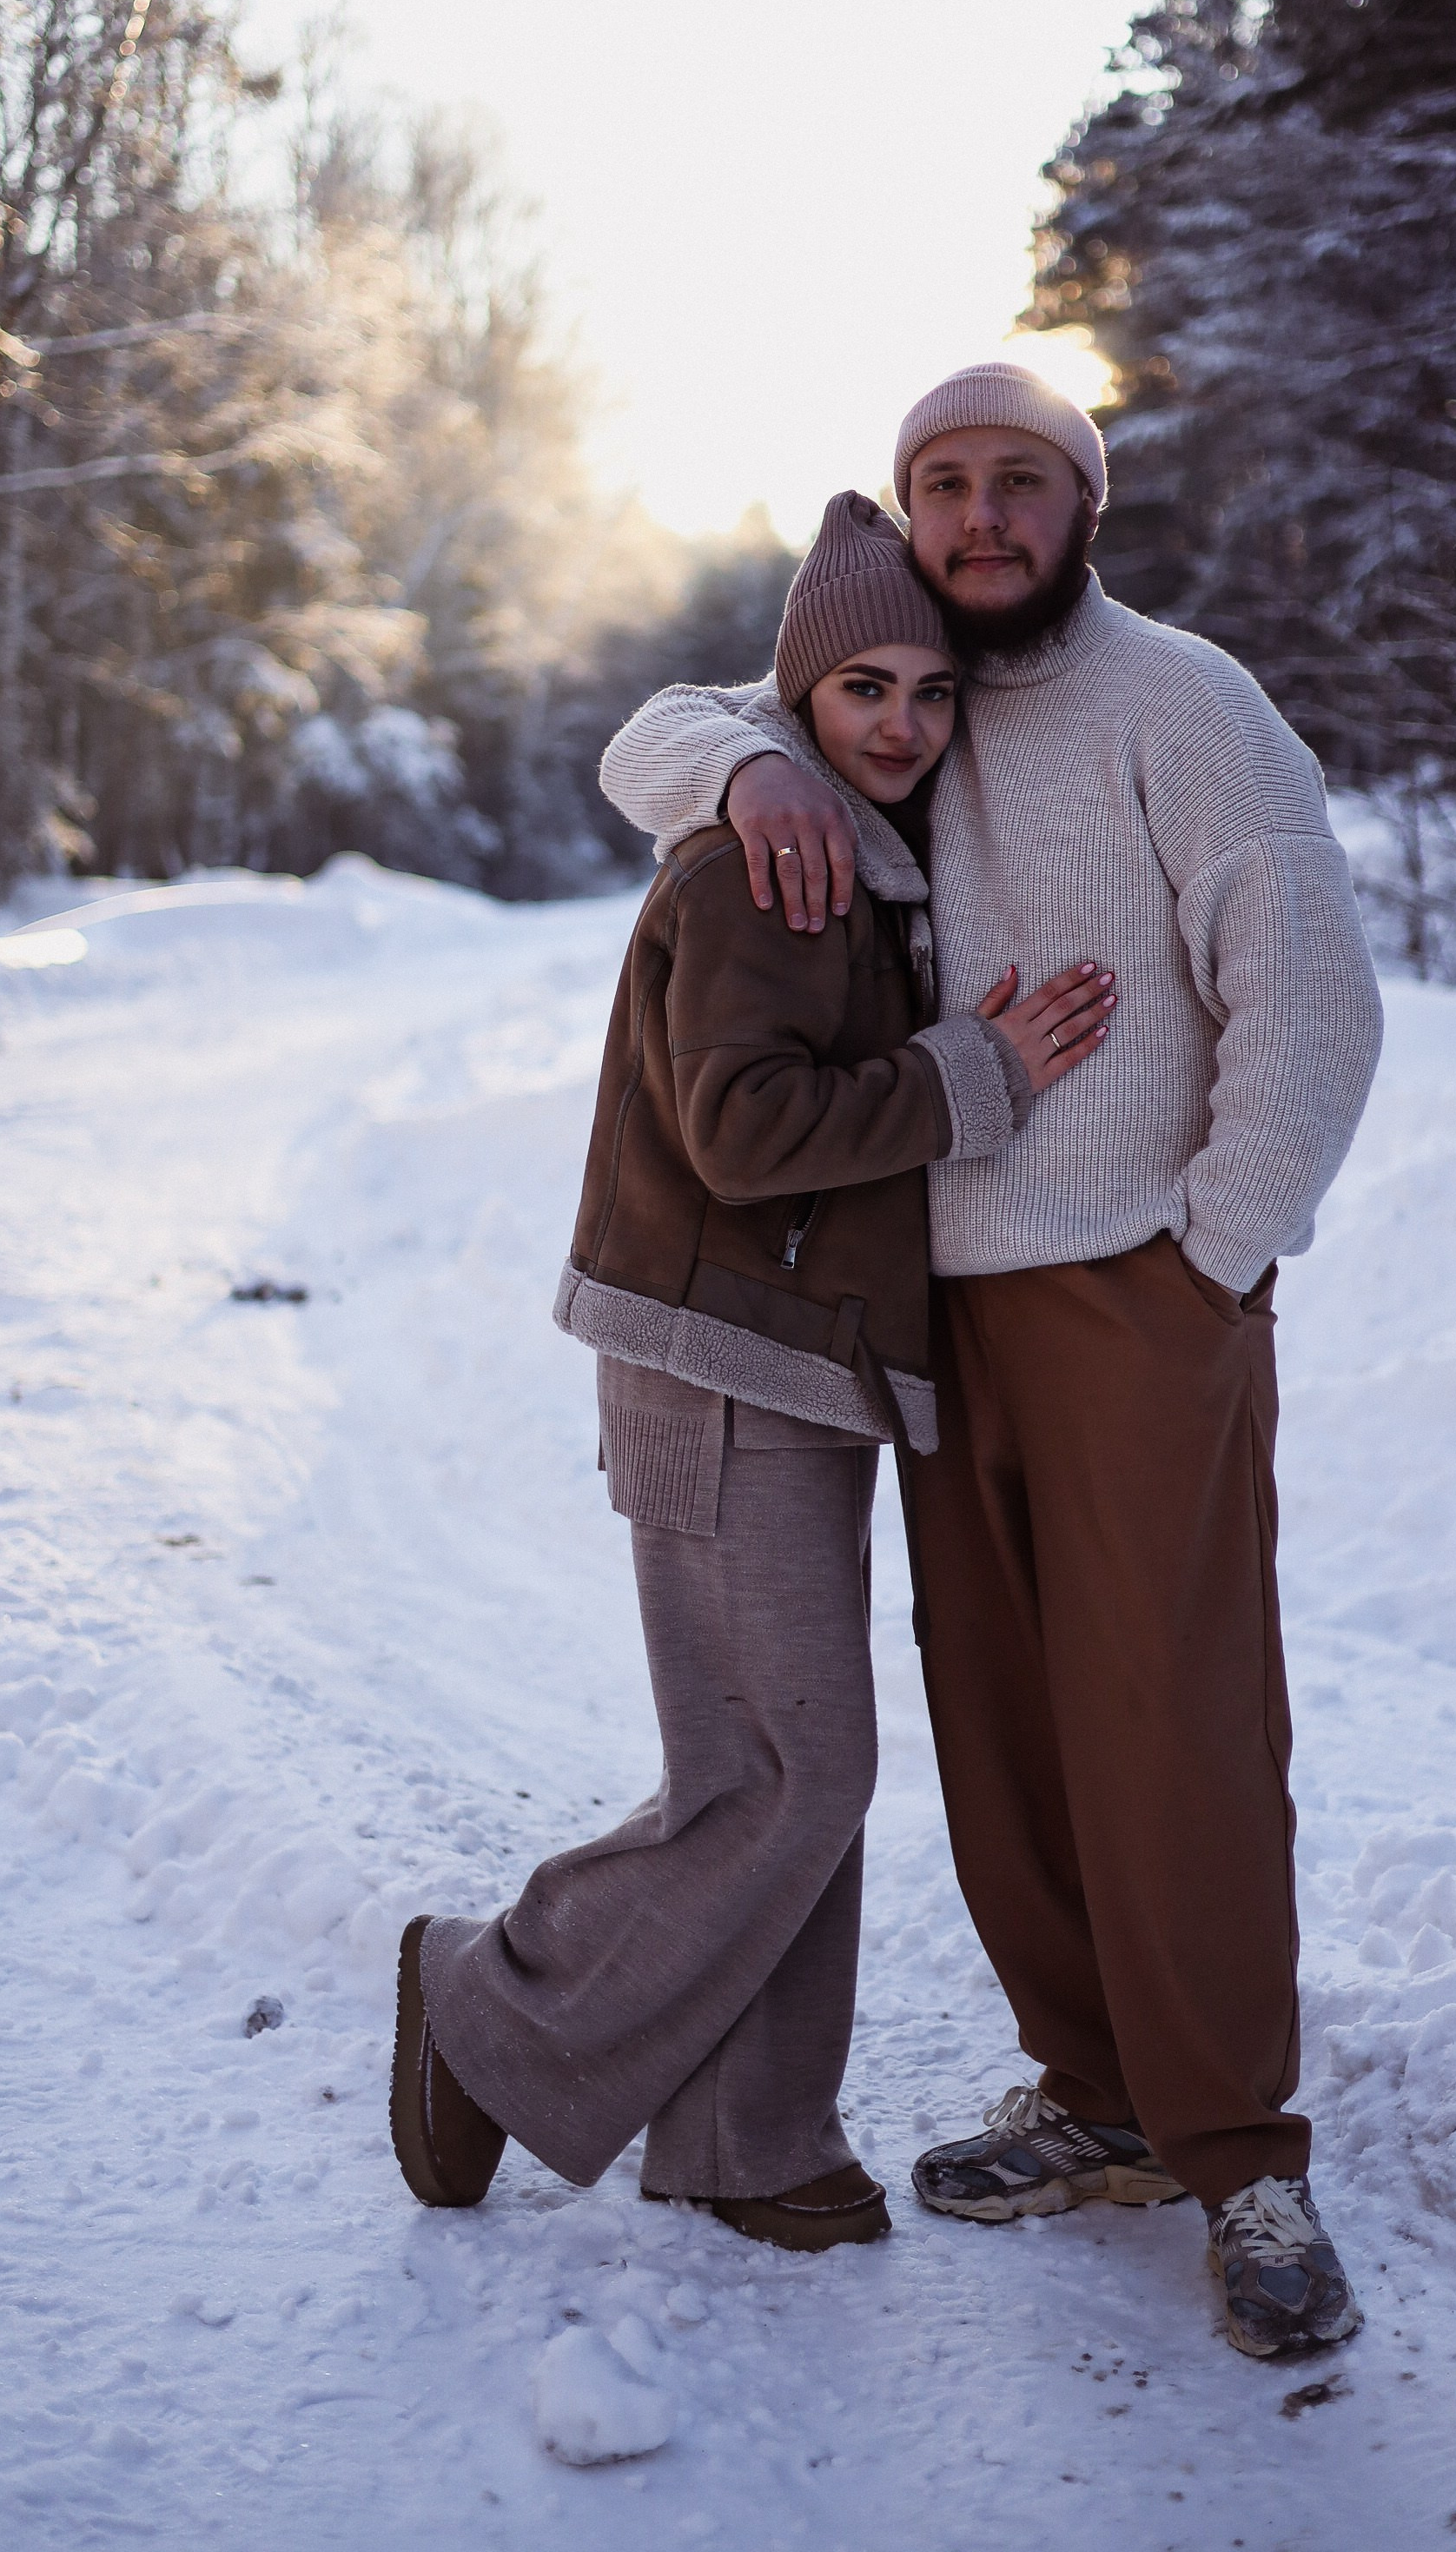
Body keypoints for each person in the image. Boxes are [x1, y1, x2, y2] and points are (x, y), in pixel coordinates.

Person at [594, 362, 1386, 2356]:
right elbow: (646, 736)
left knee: (1175, 1721)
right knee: (1009, 1731)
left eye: (1015, 482)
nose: (977, 519)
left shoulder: (1182, 703)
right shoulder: (893, 709)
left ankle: (1239, 2151)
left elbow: (1310, 1001)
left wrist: (1210, 1260)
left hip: (1135, 1295)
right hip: (940, 1314)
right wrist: (752, 769)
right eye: (939, 486)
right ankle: (1096, 2094)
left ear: (1081, 503)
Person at [387, 488, 1113, 2253]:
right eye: (860, 688)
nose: (898, 725)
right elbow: (738, 1130)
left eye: (928, 696)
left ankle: (748, 2132)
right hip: (717, 1359)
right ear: (797, 694)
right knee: (796, 1772)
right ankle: (488, 2006)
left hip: (789, 1357)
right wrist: (972, 1073)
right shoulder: (768, 863)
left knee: (774, 1765)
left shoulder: (856, 855)